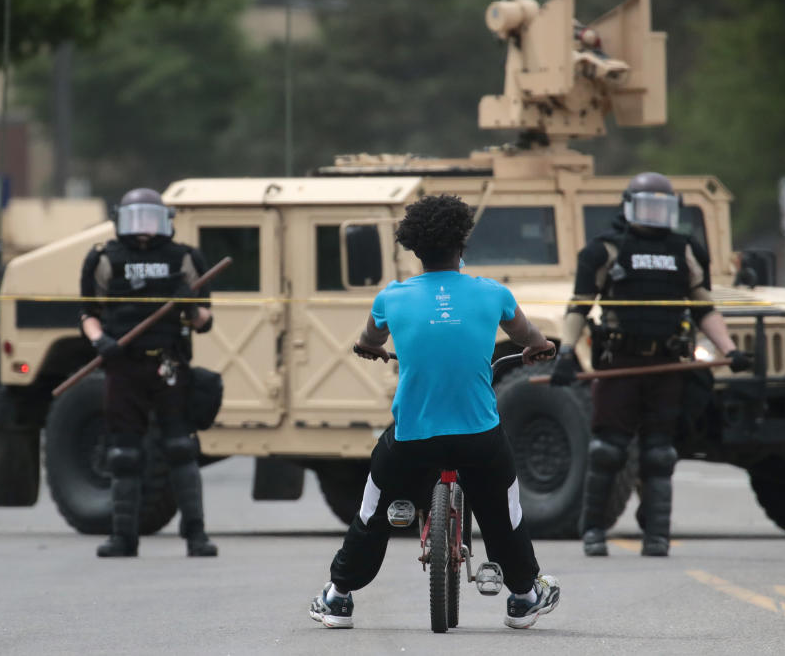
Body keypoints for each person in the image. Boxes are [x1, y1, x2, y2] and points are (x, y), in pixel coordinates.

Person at [309, 193, 561, 629]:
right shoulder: (492, 292)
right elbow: (527, 335)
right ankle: (524, 596)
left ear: (414, 250)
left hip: (413, 437)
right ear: (462, 244)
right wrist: (539, 348)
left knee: (372, 512)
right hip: (478, 436)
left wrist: (371, 349)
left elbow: (370, 338)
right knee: (504, 511)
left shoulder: (391, 298)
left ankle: (337, 598)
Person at [550, 172, 752, 558]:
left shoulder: (685, 250)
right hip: (618, 363)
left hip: (666, 366)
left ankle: (657, 534)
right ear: (628, 207)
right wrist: (565, 354)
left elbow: (703, 308)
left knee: (660, 454)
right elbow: (579, 306)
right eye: (647, 206)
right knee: (607, 450)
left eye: (662, 207)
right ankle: (592, 530)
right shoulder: (605, 250)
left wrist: (730, 349)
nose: (654, 215)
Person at [80, 188, 218, 558]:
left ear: (165, 222)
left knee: (180, 448)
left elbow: (205, 321)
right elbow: (87, 313)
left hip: (167, 364)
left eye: (150, 220)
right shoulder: (104, 259)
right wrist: (99, 341)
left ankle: (196, 535)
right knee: (123, 453)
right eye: (135, 220)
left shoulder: (185, 259)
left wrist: (189, 305)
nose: (143, 230)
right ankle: (123, 537)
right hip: (122, 365)